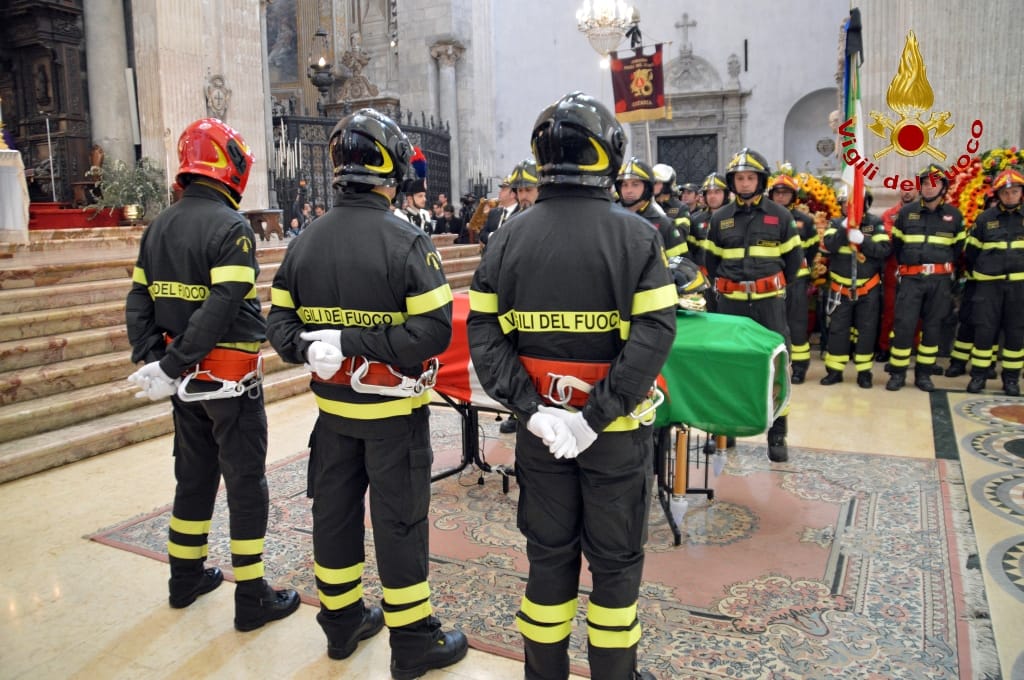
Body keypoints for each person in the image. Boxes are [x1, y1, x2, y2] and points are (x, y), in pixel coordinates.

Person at [467, 91, 675, 680]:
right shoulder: (636, 237)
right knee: (614, 563)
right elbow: (655, 334)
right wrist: (594, 417)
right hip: (610, 436)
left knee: (548, 558)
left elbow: (483, 331)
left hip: (543, 436)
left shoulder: (506, 237)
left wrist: (533, 412)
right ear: (608, 154)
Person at [265, 108, 467, 678]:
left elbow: (277, 328)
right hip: (394, 417)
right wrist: (357, 339)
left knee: (333, 514)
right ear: (392, 171)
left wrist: (314, 346)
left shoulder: (304, 242)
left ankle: (342, 623)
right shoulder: (408, 242)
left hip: (331, 417)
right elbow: (432, 332)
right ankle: (411, 643)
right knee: (400, 520)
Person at [124, 118, 300, 631]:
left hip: (181, 381)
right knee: (245, 483)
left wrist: (152, 358)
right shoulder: (231, 227)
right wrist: (171, 362)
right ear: (229, 164)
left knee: (193, 475)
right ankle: (252, 598)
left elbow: (139, 296)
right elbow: (225, 303)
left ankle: (185, 578)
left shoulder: (158, 225)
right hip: (229, 379)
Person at [704, 148, 803, 462]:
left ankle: (777, 435)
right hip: (730, 305)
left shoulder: (781, 216)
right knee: (726, 367)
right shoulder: (720, 219)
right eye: (739, 178)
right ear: (732, 182)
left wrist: (768, 288)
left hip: (768, 305)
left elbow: (794, 263)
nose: (745, 183)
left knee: (776, 368)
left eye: (750, 177)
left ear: (761, 180)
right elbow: (710, 262)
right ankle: (725, 431)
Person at [885, 164, 965, 392]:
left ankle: (924, 375)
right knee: (904, 326)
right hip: (911, 280)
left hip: (939, 282)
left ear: (943, 187)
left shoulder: (954, 216)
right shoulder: (906, 213)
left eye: (935, 183)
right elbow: (898, 246)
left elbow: (959, 249)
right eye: (926, 183)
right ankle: (898, 374)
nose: (930, 187)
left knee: (932, 328)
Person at [818, 189, 891, 387]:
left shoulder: (875, 224)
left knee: (867, 331)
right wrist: (845, 230)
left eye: (855, 203)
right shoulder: (834, 223)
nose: (849, 207)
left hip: (868, 289)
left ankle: (864, 372)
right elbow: (828, 245)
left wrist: (863, 240)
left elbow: (884, 250)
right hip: (840, 289)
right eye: (845, 203)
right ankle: (834, 371)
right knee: (837, 330)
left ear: (865, 204)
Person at [963, 167, 1024, 395]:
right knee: (984, 332)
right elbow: (971, 253)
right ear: (997, 195)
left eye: (1015, 191)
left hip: (1019, 289)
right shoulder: (985, 219)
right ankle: (979, 376)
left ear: (1021, 193)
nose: (1010, 196)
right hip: (989, 287)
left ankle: (1010, 380)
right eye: (1006, 193)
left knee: (1016, 333)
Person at [767, 173, 819, 383]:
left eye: (785, 193)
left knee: (797, 324)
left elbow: (813, 247)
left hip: (797, 280)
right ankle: (772, 364)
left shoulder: (805, 221)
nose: (781, 197)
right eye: (777, 193)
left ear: (793, 196)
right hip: (771, 280)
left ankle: (799, 368)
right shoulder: (766, 218)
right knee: (772, 323)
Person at [615, 157, 688, 260]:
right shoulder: (610, 219)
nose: (628, 190)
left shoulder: (665, 224)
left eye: (635, 185)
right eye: (624, 185)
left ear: (647, 188)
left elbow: (679, 266)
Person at [877, 185, 919, 361]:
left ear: (917, 191)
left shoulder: (923, 213)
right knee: (890, 310)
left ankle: (914, 346)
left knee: (916, 311)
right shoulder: (889, 214)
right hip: (893, 268)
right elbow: (889, 238)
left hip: (916, 267)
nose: (907, 192)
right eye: (904, 189)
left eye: (911, 189)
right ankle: (884, 347)